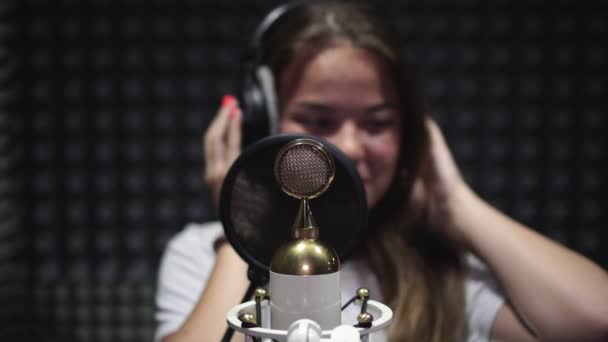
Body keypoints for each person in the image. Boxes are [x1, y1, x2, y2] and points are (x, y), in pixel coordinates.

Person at [154, 1, 608, 341]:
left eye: (378, 123)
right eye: (317, 121)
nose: (350, 146)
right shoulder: (204, 254)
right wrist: (248, 228)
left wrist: (459, 205)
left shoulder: (434, 267)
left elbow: (596, 320)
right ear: (262, 124)